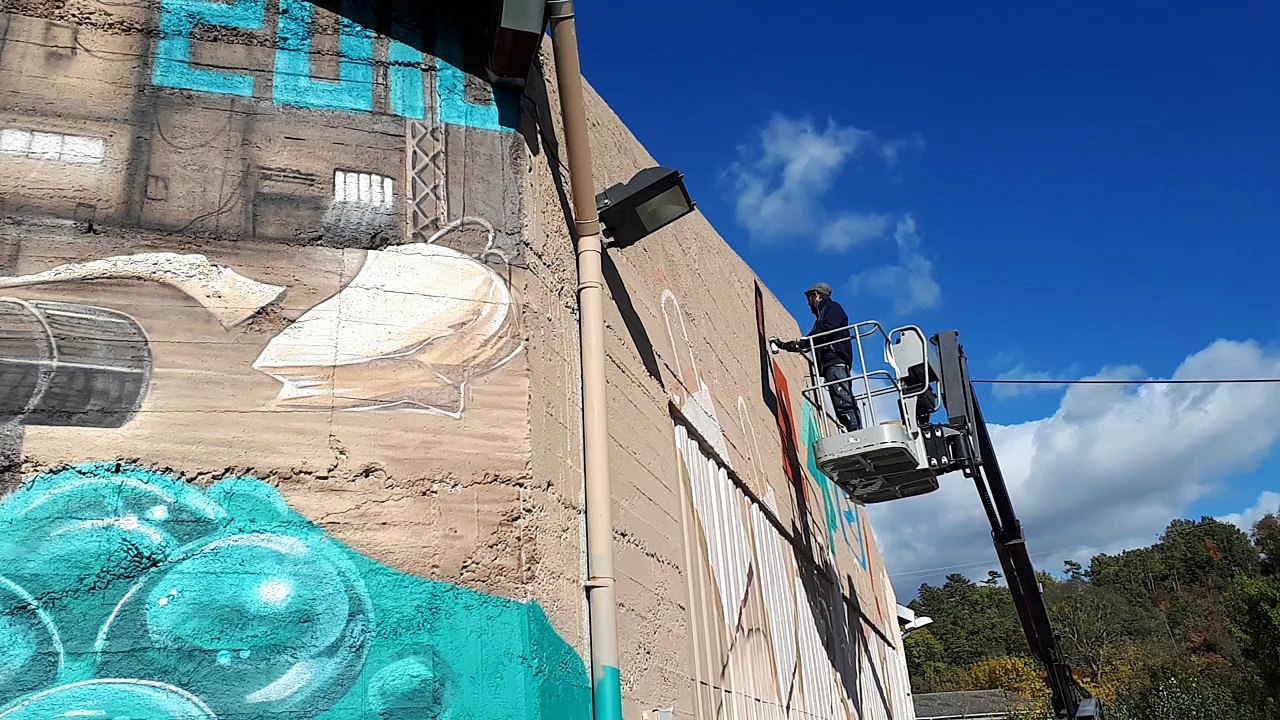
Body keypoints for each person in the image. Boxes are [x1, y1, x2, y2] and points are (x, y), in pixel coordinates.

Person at [777, 282, 862, 432]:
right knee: (840, 401)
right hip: (831, 362)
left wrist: (806, 341)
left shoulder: (832, 308)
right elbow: (813, 338)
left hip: (835, 360)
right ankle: (853, 432)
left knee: (843, 400)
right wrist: (788, 345)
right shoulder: (823, 316)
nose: (809, 304)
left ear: (817, 296)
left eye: (810, 298)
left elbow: (826, 332)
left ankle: (856, 432)